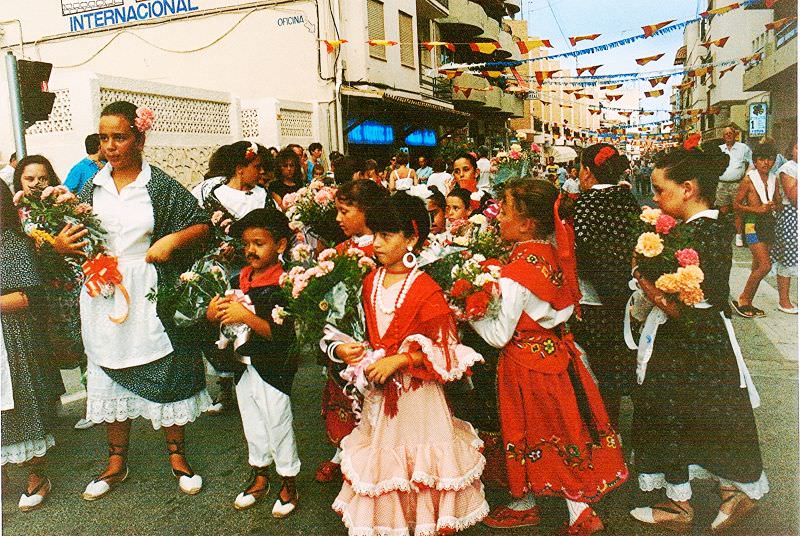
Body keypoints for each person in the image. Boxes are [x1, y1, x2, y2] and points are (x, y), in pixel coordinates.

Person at [66, 101, 212, 500]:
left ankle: (177, 455)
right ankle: (116, 461)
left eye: (119, 136)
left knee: (163, 364)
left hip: (148, 285)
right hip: (103, 289)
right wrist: (61, 243)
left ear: (140, 137)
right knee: (108, 368)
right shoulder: (88, 186)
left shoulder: (159, 185)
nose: (110, 145)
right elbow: (65, 232)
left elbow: (202, 224)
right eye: (104, 138)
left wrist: (171, 239)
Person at [470, 179, 627, 533]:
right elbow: (566, 305)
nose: (498, 218)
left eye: (505, 212)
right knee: (561, 430)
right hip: (556, 356)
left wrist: (469, 311)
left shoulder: (516, 274)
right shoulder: (552, 254)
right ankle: (559, 504)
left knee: (529, 430)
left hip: (524, 364)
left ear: (527, 223)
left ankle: (562, 508)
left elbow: (498, 336)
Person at [330, 192, 489, 535]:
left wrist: (401, 359)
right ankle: (396, 524)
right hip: (380, 393)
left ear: (412, 237)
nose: (377, 243)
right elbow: (373, 336)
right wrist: (357, 352)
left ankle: (425, 523)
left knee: (419, 464)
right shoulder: (371, 281)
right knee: (387, 464)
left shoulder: (425, 288)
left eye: (387, 236)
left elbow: (445, 348)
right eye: (375, 235)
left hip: (417, 398)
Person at [629, 143, 767, 533]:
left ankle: (691, 501)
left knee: (683, 415)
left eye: (660, 190)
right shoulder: (706, 225)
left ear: (687, 188)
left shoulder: (702, 231)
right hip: (697, 339)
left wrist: (645, 279)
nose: (654, 198)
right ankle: (697, 498)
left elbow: (684, 306)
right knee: (702, 416)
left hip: (691, 340)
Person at [206, 208, 301, 516]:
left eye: (259, 243)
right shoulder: (240, 278)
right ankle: (260, 474)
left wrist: (245, 316)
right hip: (243, 363)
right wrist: (214, 312)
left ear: (281, 245)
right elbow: (223, 319)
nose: (250, 250)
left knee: (277, 420)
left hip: (273, 366)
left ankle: (288, 478)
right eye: (247, 243)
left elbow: (283, 334)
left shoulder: (286, 283)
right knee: (252, 420)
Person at [316, 179, 388, 484]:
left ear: (368, 211)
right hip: (346, 339)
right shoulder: (341, 250)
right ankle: (343, 451)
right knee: (342, 396)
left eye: (345, 211)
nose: (337, 219)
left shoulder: (386, 248)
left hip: (377, 339)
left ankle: (378, 456)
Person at [192, 141, 270, 413]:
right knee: (220, 327)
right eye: (256, 167)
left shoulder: (263, 196)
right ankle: (227, 388)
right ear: (240, 168)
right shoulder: (210, 194)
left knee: (251, 327)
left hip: (254, 274)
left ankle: (259, 385)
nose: (261, 172)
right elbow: (196, 227)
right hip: (221, 273)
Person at [571, 144, 640, 426]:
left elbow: (584, 251)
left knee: (595, 366)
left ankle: (602, 428)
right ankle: (618, 426)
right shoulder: (627, 199)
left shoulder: (584, 204)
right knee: (619, 360)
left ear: (587, 172)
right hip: (627, 294)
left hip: (594, 298)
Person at [0, 182, 57, 512]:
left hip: (14, 339)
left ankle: (37, 474)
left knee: (21, 401)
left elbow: (29, 297)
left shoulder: (13, 244)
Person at [731, 142, 780, 318]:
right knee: (765, 265)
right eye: (761, 159)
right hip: (752, 225)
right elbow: (735, 205)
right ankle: (743, 298)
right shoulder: (748, 180)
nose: (766, 163)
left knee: (757, 266)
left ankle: (748, 302)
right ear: (755, 161)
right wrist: (757, 209)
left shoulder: (774, 178)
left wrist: (775, 205)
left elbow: (778, 203)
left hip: (768, 224)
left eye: (770, 159)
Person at [717, 126, 752, 247]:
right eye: (726, 133)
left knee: (738, 210)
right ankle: (723, 234)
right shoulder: (719, 149)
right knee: (723, 210)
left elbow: (752, 163)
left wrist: (746, 177)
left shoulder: (743, 148)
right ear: (723, 136)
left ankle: (738, 235)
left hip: (737, 184)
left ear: (735, 135)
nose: (728, 135)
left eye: (730, 133)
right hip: (721, 185)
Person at [772, 141, 797, 314]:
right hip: (792, 217)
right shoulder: (788, 169)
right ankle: (784, 300)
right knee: (787, 259)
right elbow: (795, 198)